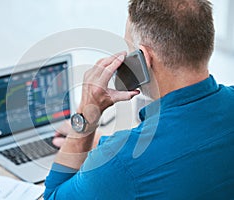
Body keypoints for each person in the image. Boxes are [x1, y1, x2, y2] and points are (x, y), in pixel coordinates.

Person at [44, 0, 234, 199]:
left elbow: (52, 196)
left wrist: (84, 119)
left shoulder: (122, 164)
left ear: (143, 58)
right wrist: (102, 142)